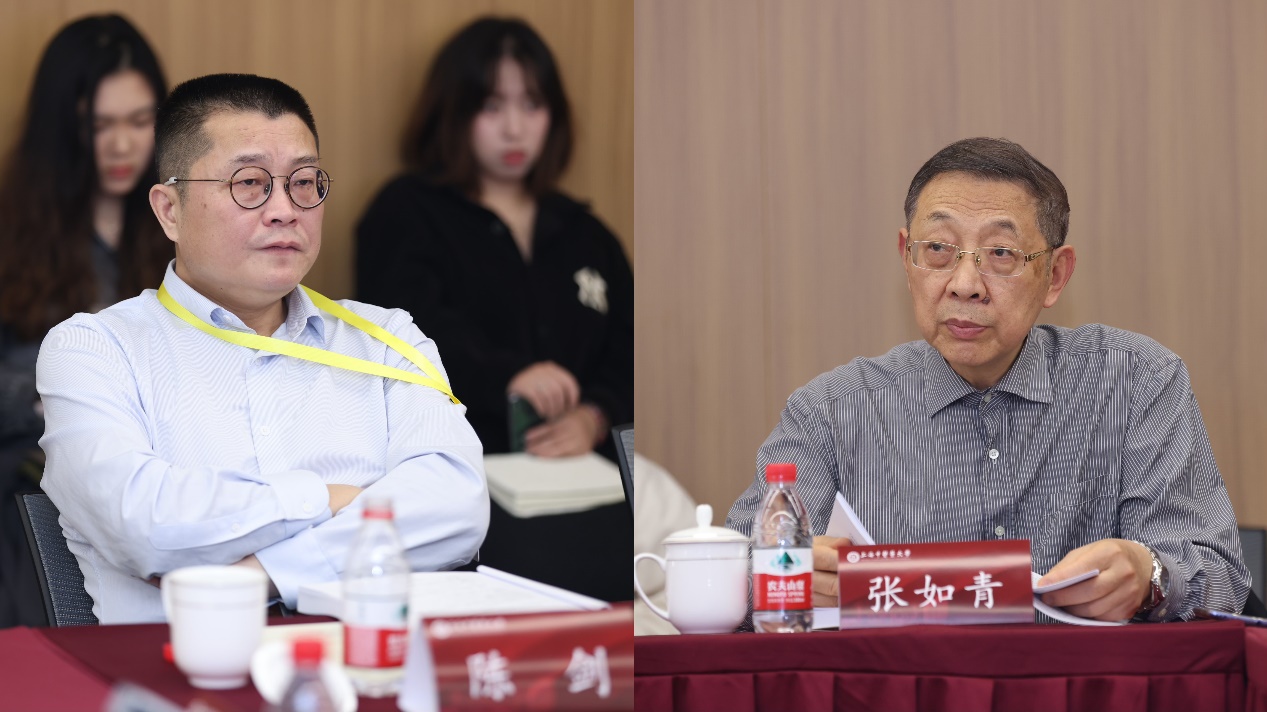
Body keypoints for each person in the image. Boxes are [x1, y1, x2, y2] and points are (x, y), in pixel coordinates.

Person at [726, 137, 1248, 623]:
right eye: (938, 249)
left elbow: (1223, 579)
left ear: (1055, 275)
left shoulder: (1135, 383)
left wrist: (1151, 579)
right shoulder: (830, 411)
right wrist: (783, 577)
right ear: (907, 257)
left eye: (1001, 253)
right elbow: (733, 573)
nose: (965, 284)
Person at [37, 73, 489, 624]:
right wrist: (331, 499)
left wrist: (265, 573)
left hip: (366, 664)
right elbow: (143, 522)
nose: (284, 209)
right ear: (169, 210)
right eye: (249, 183)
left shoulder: (387, 338)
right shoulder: (94, 350)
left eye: (303, 182)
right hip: (172, 669)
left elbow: (458, 506)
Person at [355, 17, 633, 460]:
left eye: (532, 104)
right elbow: (396, 331)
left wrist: (595, 416)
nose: (514, 129)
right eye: (491, 106)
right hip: (453, 466)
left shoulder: (587, 234)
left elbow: (630, 350)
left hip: (586, 471)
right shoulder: (407, 211)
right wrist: (506, 376)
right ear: (453, 111)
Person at [0, 14, 170, 627]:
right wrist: (50, 398)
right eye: (99, 126)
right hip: (33, 475)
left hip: (162, 472)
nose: (122, 145)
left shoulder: (186, 225)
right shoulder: (13, 232)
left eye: (140, 121)